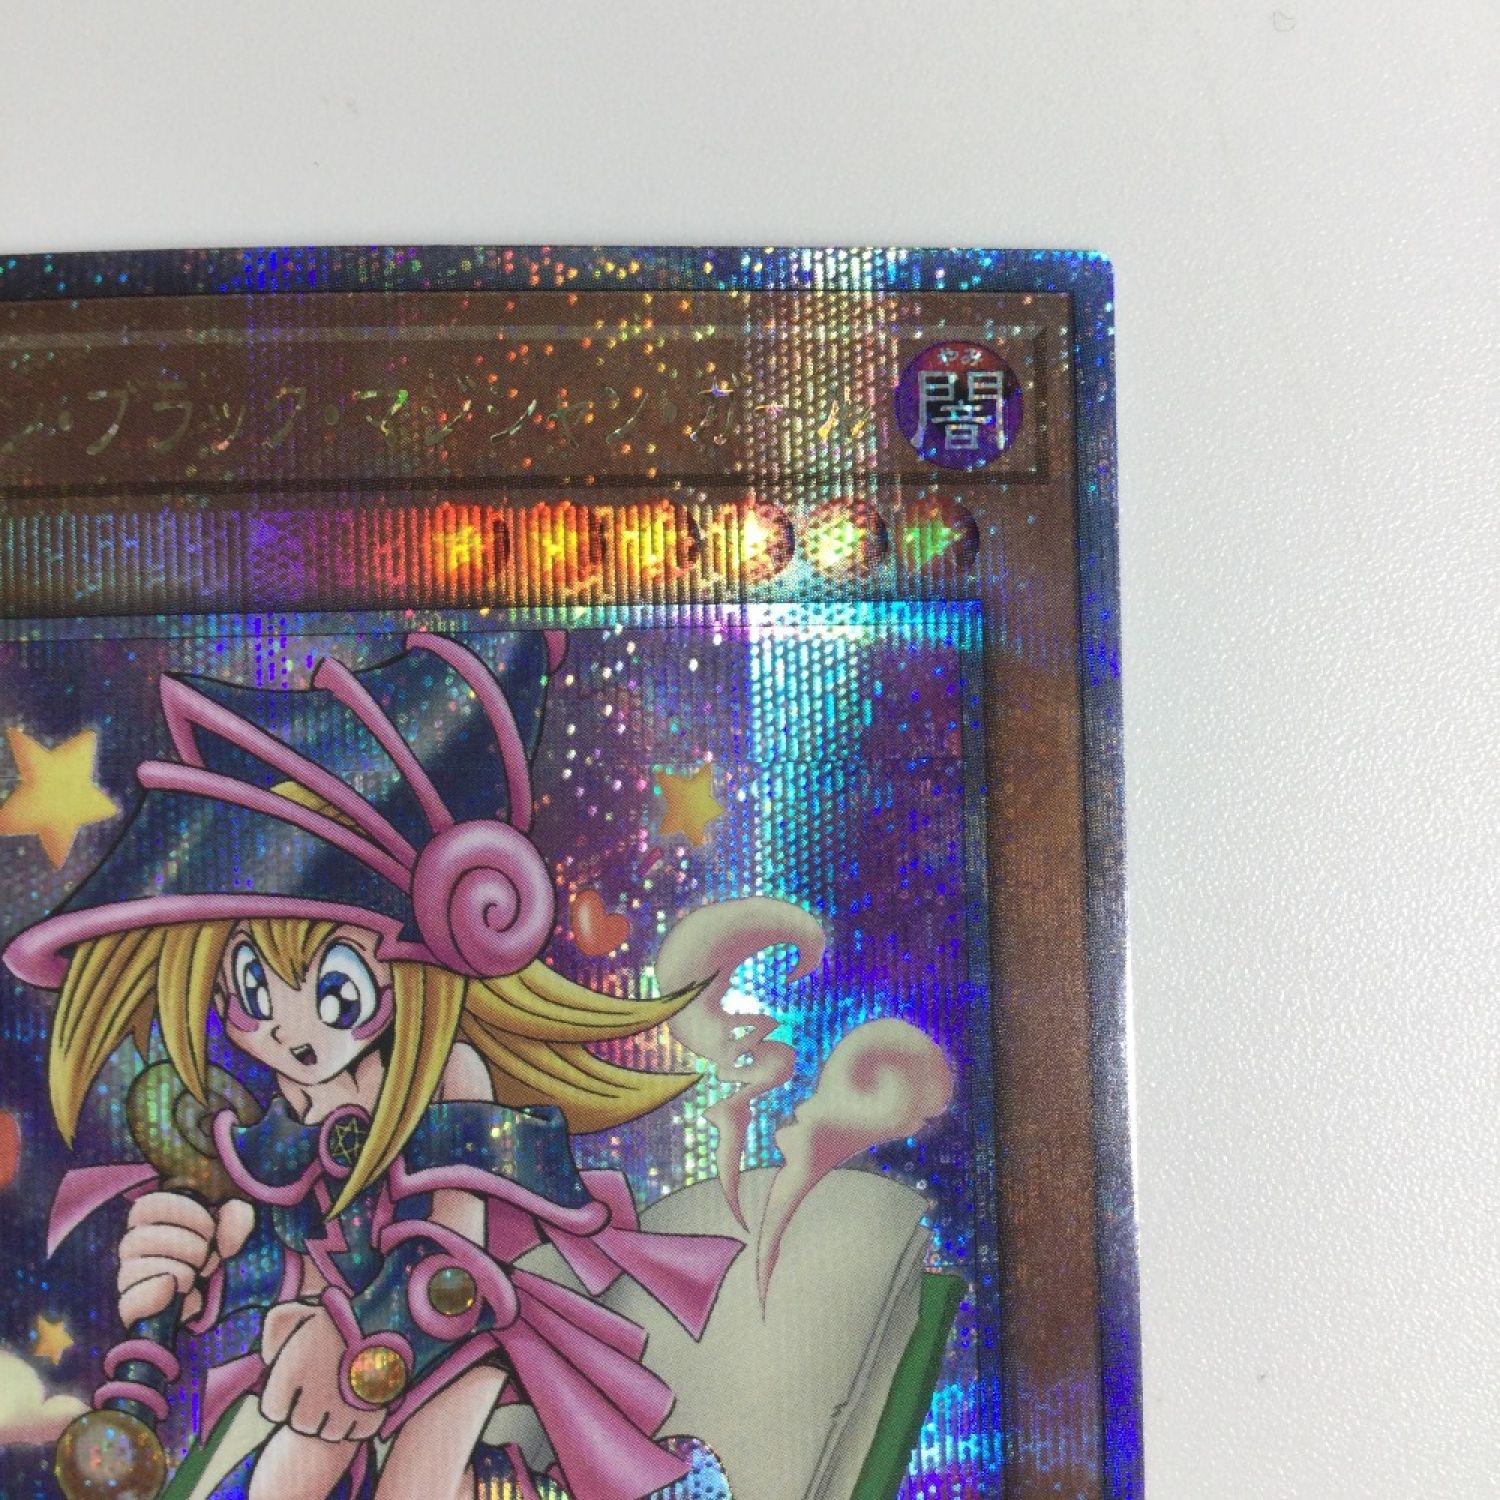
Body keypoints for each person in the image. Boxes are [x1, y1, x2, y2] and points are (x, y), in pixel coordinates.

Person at [5, 629, 815, 1500]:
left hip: (448, 1337)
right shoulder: (293, 1108)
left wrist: (360, 1347)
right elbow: (275, 1227)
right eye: (254, 986)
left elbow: (453, 1258)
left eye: (336, 991)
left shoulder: (450, 1080)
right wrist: (198, 1260)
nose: (290, 1033)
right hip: (330, 1346)